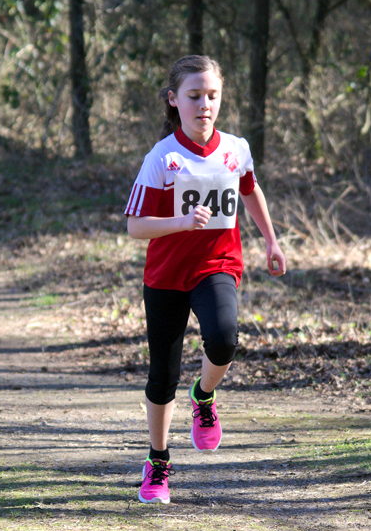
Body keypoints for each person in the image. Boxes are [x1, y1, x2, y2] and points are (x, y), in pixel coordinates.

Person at [124, 55, 287, 504]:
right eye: (194, 96)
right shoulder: (163, 157)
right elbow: (135, 226)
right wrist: (180, 221)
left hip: (217, 265)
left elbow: (249, 189)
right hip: (167, 275)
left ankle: (204, 395)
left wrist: (271, 241)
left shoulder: (236, 149)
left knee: (223, 339)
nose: (205, 105)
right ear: (174, 100)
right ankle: (157, 463)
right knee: (163, 374)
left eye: (212, 95)